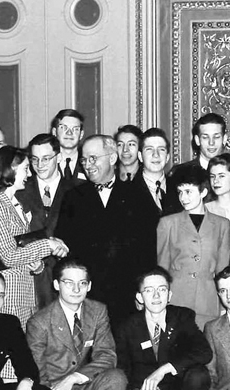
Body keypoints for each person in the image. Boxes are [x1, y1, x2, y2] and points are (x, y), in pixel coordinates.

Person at [26, 259, 127, 390]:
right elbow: (37, 375)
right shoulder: (39, 322)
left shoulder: (98, 311)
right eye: (69, 282)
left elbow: (107, 356)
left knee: (116, 378)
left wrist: (74, 377)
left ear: (89, 286)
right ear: (57, 285)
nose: (76, 289)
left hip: (80, 387)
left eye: (82, 283)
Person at [55, 135, 156, 327]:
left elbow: (148, 250)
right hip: (87, 295)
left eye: (93, 158)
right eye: (84, 160)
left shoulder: (138, 195)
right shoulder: (73, 197)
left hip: (127, 296)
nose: (88, 165)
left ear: (112, 158)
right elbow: (65, 249)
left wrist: (143, 291)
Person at [113, 268, 212, 390]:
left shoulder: (182, 317)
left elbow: (204, 352)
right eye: (149, 290)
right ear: (140, 297)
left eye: (162, 289)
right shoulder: (127, 326)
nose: (156, 296)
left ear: (170, 295)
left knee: (199, 374)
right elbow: (122, 366)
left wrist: (165, 369)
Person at [0, 145, 69, 326]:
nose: (29, 174)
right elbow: (8, 256)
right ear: (11, 169)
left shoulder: (15, 204)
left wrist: (37, 265)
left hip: (26, 295)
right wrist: (48, 245)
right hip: (10, 297)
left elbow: (22, 249)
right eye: (26, 168)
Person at [157, 165, 230, 328]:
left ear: (203, 192)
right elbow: (162, 268)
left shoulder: (222, 225)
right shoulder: (167, 223)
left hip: (208, 301)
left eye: (188, 191)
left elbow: (222, 269)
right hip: (176, 300)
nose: (183, 197)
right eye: (180, 192)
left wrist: (224, 305)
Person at [17, 133, 81, 308]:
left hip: (68, 281)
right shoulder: (19, 190)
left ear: (59, 158)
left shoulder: (78, 190)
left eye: (46, 159)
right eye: (35, 159)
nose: (39, 165)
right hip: (30, 282)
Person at [134, 127, 182, 216]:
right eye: (149, 149)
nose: (156, 155)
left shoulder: (180, 189)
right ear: (140, 156)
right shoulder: (126, 192)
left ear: (167, 157)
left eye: (161, 149)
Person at [52, 108, 87, 181]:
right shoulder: (46, 163)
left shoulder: (88, 163)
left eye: (75, 129)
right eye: (63, 127)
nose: (69, 133)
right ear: (54, 132)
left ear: (81, 134)